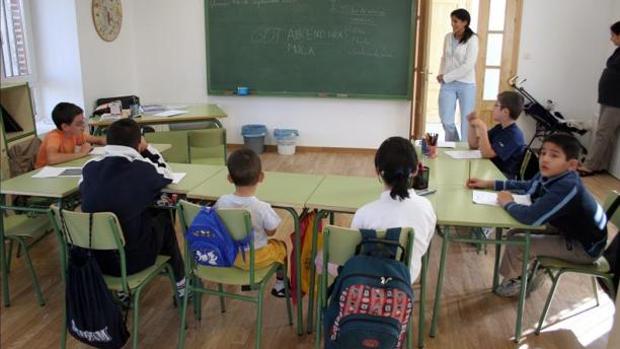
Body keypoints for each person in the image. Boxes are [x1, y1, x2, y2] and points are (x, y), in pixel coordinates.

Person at [467, 133, 607, 297]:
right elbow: (528, 186)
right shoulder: (550, 173)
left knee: (518, 241)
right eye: (543, 153)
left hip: (583, 247)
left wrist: (508, 203)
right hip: (566, 231)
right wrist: (490, 183)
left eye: (554, 155)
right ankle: (526, 273)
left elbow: (531, 218)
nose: (545, 159)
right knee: (514, 233)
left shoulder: (568, 186)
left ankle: (516, 283)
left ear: (572, 165)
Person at [79, 118, 186, 299]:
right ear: (138, 143)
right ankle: (182, 284)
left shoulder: (89, 168)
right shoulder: (142, 169)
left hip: (95, 259)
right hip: (131, 261)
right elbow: (168, 174)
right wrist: (149, 148)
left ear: (108, 141)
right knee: (163, 217)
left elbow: (84, 189)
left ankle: (122, 291)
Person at [350, 137, 437, 282]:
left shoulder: (364, 213)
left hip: (367, 280)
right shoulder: (426, 207)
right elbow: (423, 246)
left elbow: (352, 253)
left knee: (322, 258)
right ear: (416, 170)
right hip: (406, 278)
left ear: (378, 171)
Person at [214, 148, 288, 297]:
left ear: (229, 178)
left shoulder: (221, 202)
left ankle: (247, 282)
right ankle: (280, 285)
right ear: (261, 177)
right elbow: (271, 231)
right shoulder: (261, 207)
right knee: (282, 246)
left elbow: (217, 224)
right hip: (256, 258)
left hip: (230, 256)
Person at [579, 21, 620, 176]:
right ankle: (601, 165)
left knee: (603, 132)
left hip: (616, 101)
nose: (611, 39)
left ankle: (589, 166)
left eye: (613, 35)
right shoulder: (618, 51)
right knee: (607, 134)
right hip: (608, 98)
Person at [437, 8, 479, 142]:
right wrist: (441, 73)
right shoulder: (448, 37)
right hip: (448, 84)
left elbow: (468, 66)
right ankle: (454, 145)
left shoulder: (473, 39)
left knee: (466, 123)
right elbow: (444, 58)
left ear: (465, 22)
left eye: (455, 21)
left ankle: (464, 151)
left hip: (466, 84)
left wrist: (446, 77)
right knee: (446, 121)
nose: (452, 24)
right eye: (452, 21)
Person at [467, 91, 526, 178]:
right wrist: (471, 124)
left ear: (505, 112)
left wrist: (483, 128)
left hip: (503, 176)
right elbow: (474, 145)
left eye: (496, 105)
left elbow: (487, 154)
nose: (492, 108)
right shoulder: (499, 128)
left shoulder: (514, 135)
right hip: (491, 169)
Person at [35, 102, 106, 168]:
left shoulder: (74, 133)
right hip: (43, 173)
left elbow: (98, 140)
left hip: (61, 168)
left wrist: (114, 140)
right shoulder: (54, 137)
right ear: (65, 127)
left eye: (83, 121)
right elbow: (51, 159)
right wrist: (82, 153)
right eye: (79, 124)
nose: (83, 126)